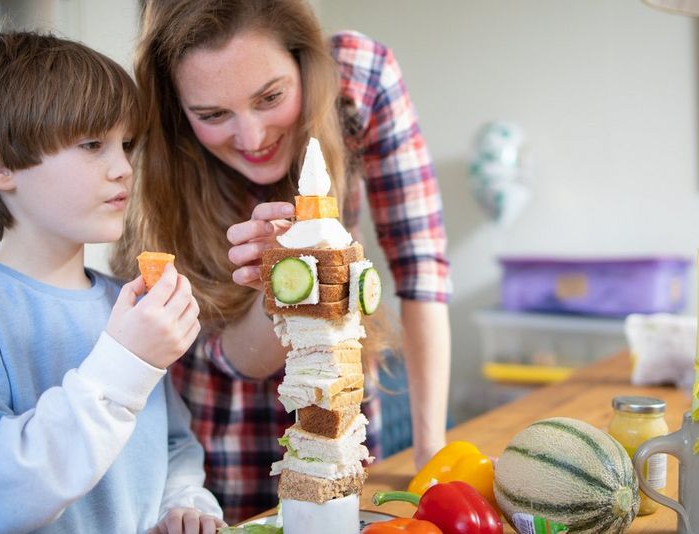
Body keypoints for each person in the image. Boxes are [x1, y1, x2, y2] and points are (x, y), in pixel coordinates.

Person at [112, 0, 452, 523]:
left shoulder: (360, 78)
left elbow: (421, 266)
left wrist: (432, 450)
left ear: (304, 64)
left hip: (340, 418)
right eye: (212, 115)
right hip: (217, 450)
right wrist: (284, 293)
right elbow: (228, 358)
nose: (251, 139)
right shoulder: (155, 151)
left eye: (270, 97)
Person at [0, 25, 225, 534]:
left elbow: (172, 444)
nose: (123, 167)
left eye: (126, 144)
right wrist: (126, 364)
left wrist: (183, 501)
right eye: (93, 143)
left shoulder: (122, 302)